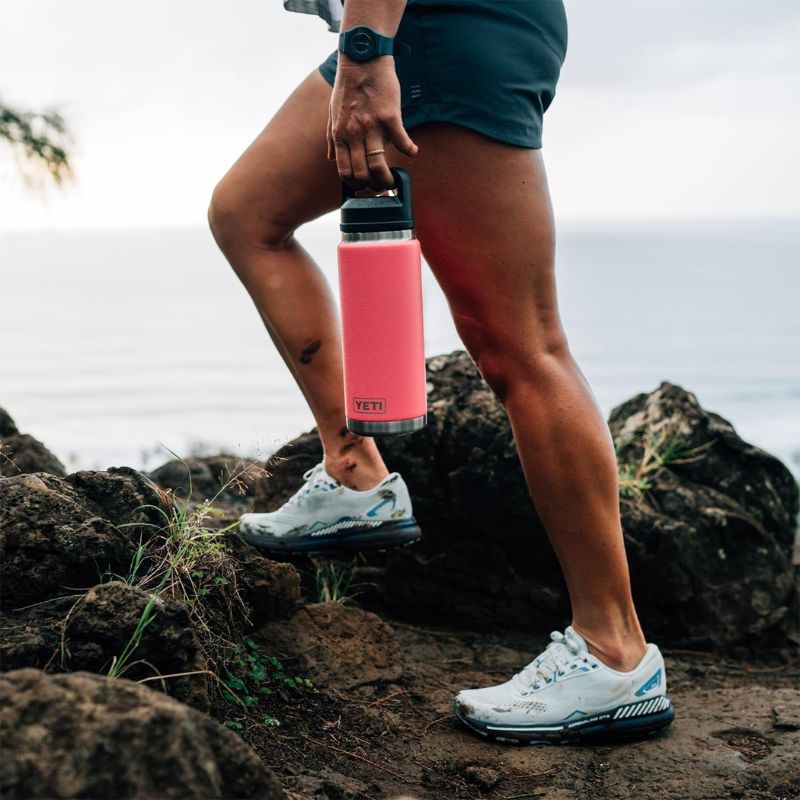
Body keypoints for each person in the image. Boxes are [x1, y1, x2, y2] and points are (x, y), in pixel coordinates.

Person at [208, 0, 675, 744]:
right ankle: (355, 473)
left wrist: (366, 53)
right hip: (415, 35)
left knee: (520, 345)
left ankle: (613, 653)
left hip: (429, 32)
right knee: (246, 214)